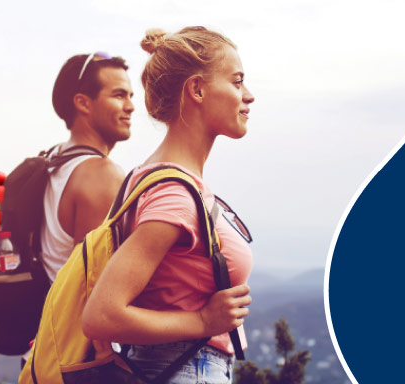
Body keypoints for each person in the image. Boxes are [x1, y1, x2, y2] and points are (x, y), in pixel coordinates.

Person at [81, 26, 255, 383]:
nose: (248, 96)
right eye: (237, 82)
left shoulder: (147, 179)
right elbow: (101, 315)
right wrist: (204, 322)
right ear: (197, 89)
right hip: (187, 369)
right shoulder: (173, 194)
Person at [41, 52, 135, 282]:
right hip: (65, 318)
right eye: (119, 95)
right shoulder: (102, 175)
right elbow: (95, 290)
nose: (131, 106)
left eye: (130, 95)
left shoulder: (53, 158)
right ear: (83, 103)